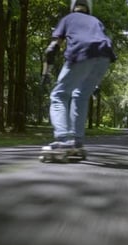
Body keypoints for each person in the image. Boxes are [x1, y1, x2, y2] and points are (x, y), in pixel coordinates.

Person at [42, 0, 116, 152]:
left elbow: (52, 49)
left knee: (59, 95)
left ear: (73, 7)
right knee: (80, 95)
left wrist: (46, 73)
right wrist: (95, 83)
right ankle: (77, 141)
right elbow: (97, 45)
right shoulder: (96, 21)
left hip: (82, 53)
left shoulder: (68, 19)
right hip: (105, 56)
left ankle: (62, 139)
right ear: (89, 8)